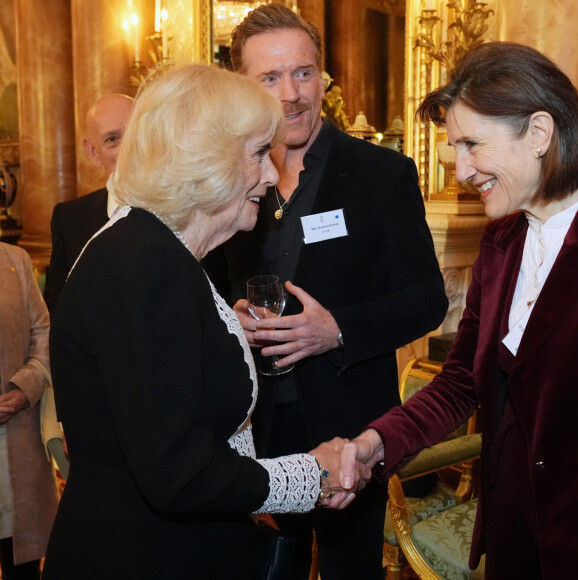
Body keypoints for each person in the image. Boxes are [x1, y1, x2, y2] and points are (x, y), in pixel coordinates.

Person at [41, 64, 366, 580]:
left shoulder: (154, 250)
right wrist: (311, 474)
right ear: (204, 157)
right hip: (143, 556)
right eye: (259, 153)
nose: (270, 174)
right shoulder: (145, 261)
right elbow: (180, 473)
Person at [204, 5, 448, 579]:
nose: (290, 94)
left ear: (323, 76)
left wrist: (336, 329)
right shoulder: (228, 175)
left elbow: (427, 299)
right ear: (243, 84)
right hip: (251, 422)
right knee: (262, 567)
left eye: (304, 73)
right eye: (269, 78)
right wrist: (230, 316)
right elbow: (208, 286)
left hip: (349, 423)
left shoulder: (382, 174)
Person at [339, 41, 578, 580]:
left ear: (539, 133)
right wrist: (372, 444)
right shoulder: (500, 243)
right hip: (513, 537)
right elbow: (460, 384)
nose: (463, 168)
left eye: (473, 144)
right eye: (456, 147)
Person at [44, 93, 134, 313]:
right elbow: (59, 312)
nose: (130, 147)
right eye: (113, 139)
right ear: (93, 153)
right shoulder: (69, 220)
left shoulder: (191, 208)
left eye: (137, 132)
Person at [0, 242, 59, 579]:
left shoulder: (16, 260)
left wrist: (26, 388)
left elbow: (43, 331)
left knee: (21, 562)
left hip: (16, 436)